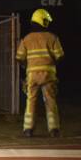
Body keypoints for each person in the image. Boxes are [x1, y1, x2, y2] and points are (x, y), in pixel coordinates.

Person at [16, 8, 65, 137]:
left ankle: (28, 129)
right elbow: (60, 56)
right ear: (42, 21)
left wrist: (27, 68)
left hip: (32, 75)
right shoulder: (53, 37)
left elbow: (19, 58)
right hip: (48, 75)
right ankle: (54, 129)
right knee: (50, 101)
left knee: (30, 100)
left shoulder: (26, 39)